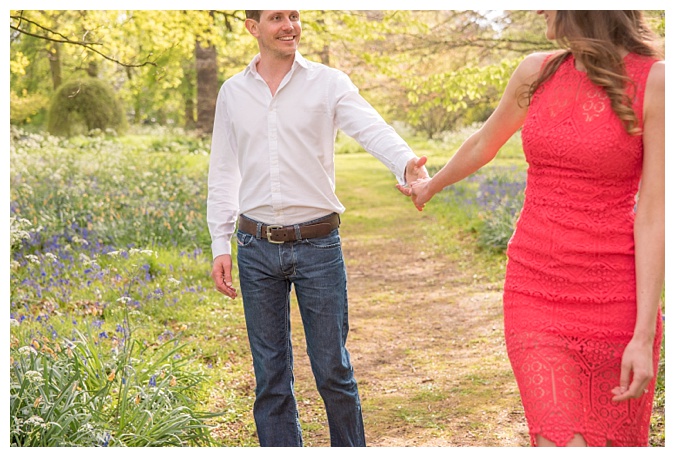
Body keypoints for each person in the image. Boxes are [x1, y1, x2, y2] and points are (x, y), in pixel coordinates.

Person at [400, 11, 664, 447]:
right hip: (534, 291)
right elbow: (486, 141)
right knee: (559, 443)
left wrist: (644, 335)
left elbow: (654, 213)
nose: (539, 9)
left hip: (616, 298)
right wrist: (431, 186)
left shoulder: (655, 81)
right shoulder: (536, 71)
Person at [207, 10, 428, 447]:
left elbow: (371, 128)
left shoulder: (328, 82)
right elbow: (223, 169)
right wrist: (220, 241)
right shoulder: (232, 93)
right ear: (253, 27)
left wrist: (406, 163)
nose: (289, 25)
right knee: (270, 377)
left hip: (318, 246)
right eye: (276, 17)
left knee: (333, 370)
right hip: (255, 247)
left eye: (294, 15)